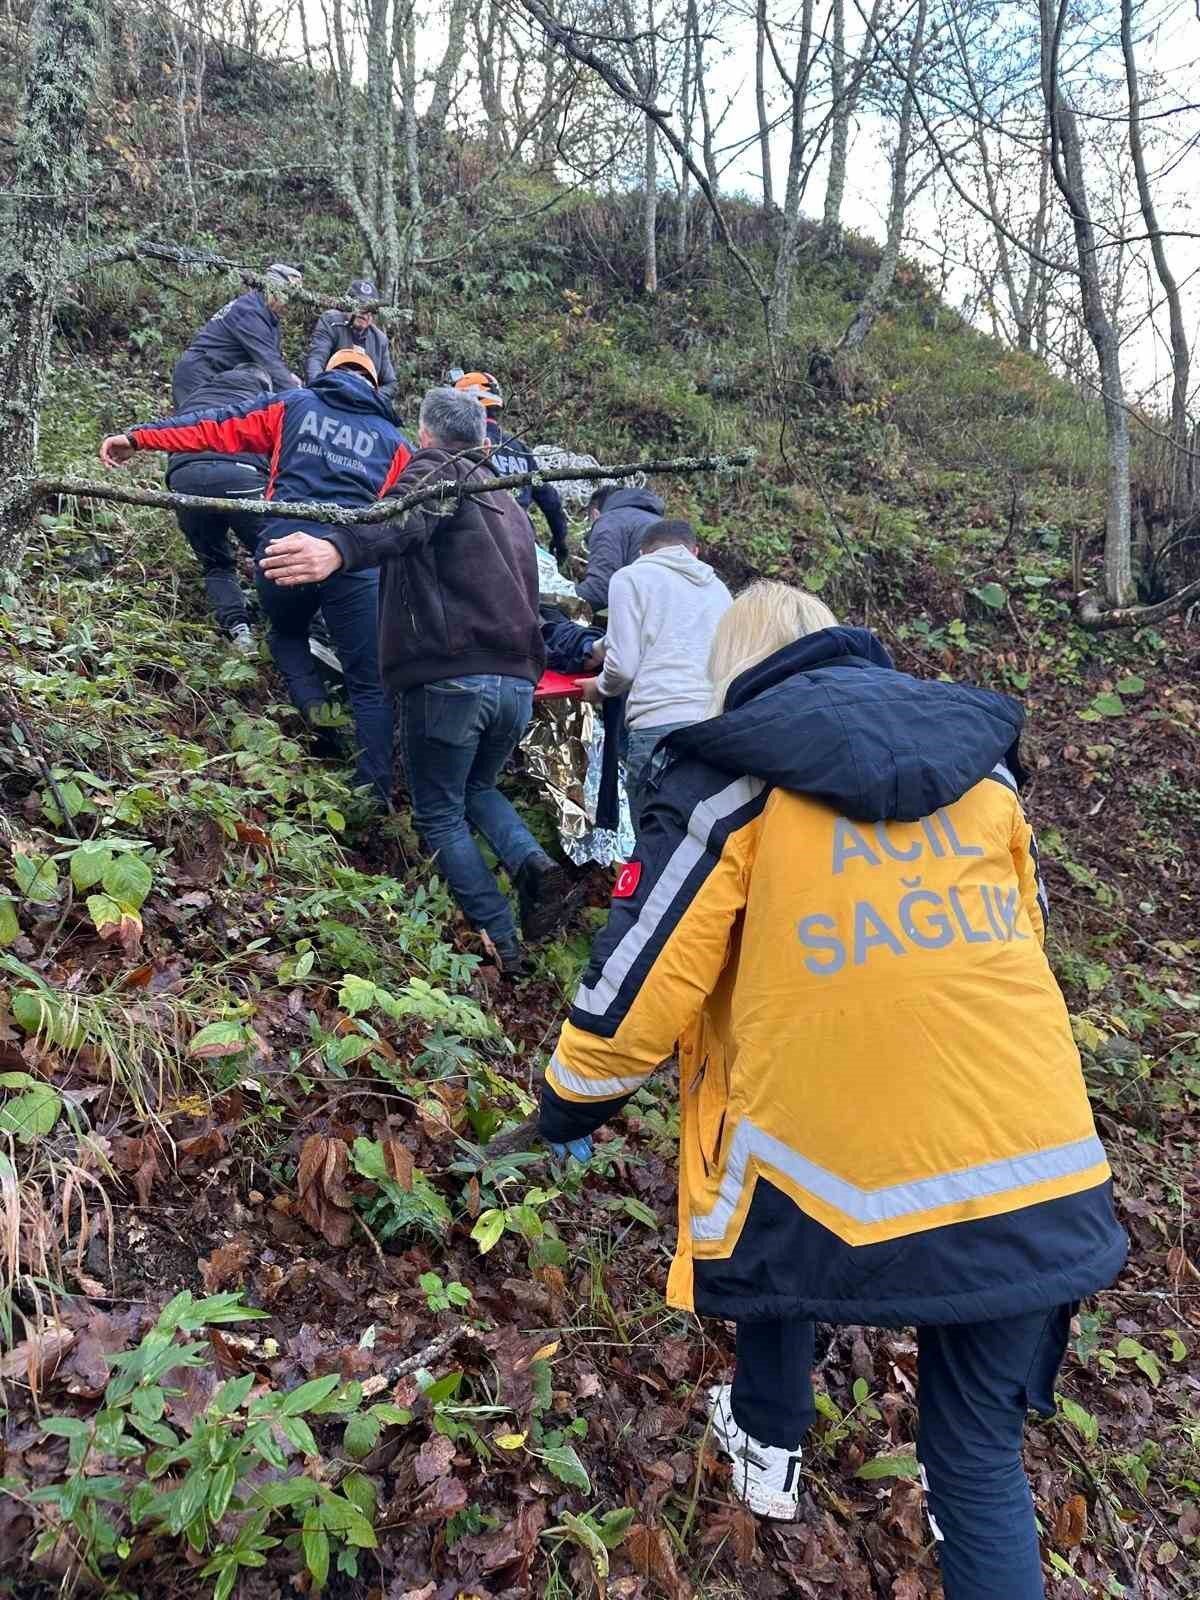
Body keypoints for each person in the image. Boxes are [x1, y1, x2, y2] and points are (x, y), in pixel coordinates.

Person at [536, 582, 1127, 1599]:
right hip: (1039, 1162)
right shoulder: (985, 776)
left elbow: (648, 969)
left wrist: (571, 1098)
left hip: (830, 1165)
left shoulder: (732, 780)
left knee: (770, 1188)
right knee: (978, 1462)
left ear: (741, 673)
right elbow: (1021, 935)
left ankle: (768, 1447)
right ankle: (778, 1438)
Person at [259, 386, 577, 973]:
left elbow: (400, 521)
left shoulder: (436, 471)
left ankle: (503, 940)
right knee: (478, 790)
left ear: (424, 435)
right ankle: (532, 864)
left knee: (438, 812)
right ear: (485, 440)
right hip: (516, 681)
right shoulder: (508, 504)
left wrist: (337, 549)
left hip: (451, 673)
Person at [99, 347, 412, 810]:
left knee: (287, 637)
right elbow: (402, 518)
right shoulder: (395, 442)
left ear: (328, 375)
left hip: (283, 549)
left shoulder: (294, 405)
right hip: (349, 559)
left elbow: (216, 424)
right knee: (368, 681)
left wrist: (138, 438)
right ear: (372, 383)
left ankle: (319, 723)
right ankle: (374, 796)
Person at [582, 518, 731, 831]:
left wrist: (598, 686)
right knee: (702, 841)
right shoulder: (719, 590)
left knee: (654, 843)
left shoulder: (631, 577)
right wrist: (598, 649)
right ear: (695, 551)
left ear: (642, 552)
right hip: (713, 727)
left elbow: (623, 667)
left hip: (659, 728)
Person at [163, 364, 275, 652]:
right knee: (275, 555)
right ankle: (299, 631)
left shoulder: (195, 397)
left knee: (215, 563)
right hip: (242, 474)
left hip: (185, 477)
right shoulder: (266, 402)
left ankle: (240, 633)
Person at [452, 371, 570, 564]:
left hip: (478, 543)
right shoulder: (519, 448)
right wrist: (560, 539)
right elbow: (551, 501)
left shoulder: (461, 444)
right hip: (522, 541)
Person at [172, 264, 303, 408]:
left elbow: (272, 360)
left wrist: (289, 378)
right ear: (273, 290)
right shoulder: (250, 312)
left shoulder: (266, 315)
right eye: (289, 297)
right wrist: (299, 401)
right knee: (197, 426)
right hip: (199, 376)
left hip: (218, 379)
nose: (291, 304)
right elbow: (269, 363)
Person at [305, 279, 399, 408]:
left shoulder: (380, 340)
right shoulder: (331, 321)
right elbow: (316, 359)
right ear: (347, 304)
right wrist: (318, 390)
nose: (366, 314)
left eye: (371, 310)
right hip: (329, 394)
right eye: (361, 306)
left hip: (363, 403)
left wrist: (371, 399)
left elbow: (390, 383)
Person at [575, 481, 665, 613]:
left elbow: (598, 591)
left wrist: (555, 598)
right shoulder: (660, 522)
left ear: (595, 514)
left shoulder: (608, 522)